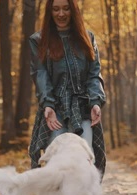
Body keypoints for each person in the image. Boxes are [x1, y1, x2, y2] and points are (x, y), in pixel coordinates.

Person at [28, 0, 107, 176]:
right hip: (55, 110)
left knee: (86, 160)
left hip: (83, 108)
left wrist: (96, 101)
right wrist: (47, 105)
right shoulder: (38, 40)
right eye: (56, 9)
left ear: (73, 11)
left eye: (66, 8)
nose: (61, 14)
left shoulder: (87, 38)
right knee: (57, 163)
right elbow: (40, 74)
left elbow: (94, 74)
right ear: (50, 12)